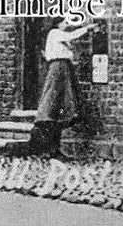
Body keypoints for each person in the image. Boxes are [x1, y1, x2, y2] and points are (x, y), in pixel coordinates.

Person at [34, 16, 95, 158]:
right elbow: (72, 35)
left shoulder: (60, 37)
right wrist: (86, 28)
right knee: (52, 104)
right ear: (58, 23)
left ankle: (54, 148)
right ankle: (45, 148)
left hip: (64, 69)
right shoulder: (55, 33)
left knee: (61, 105)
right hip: (58, 69)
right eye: (65, 21)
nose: (67, 24)